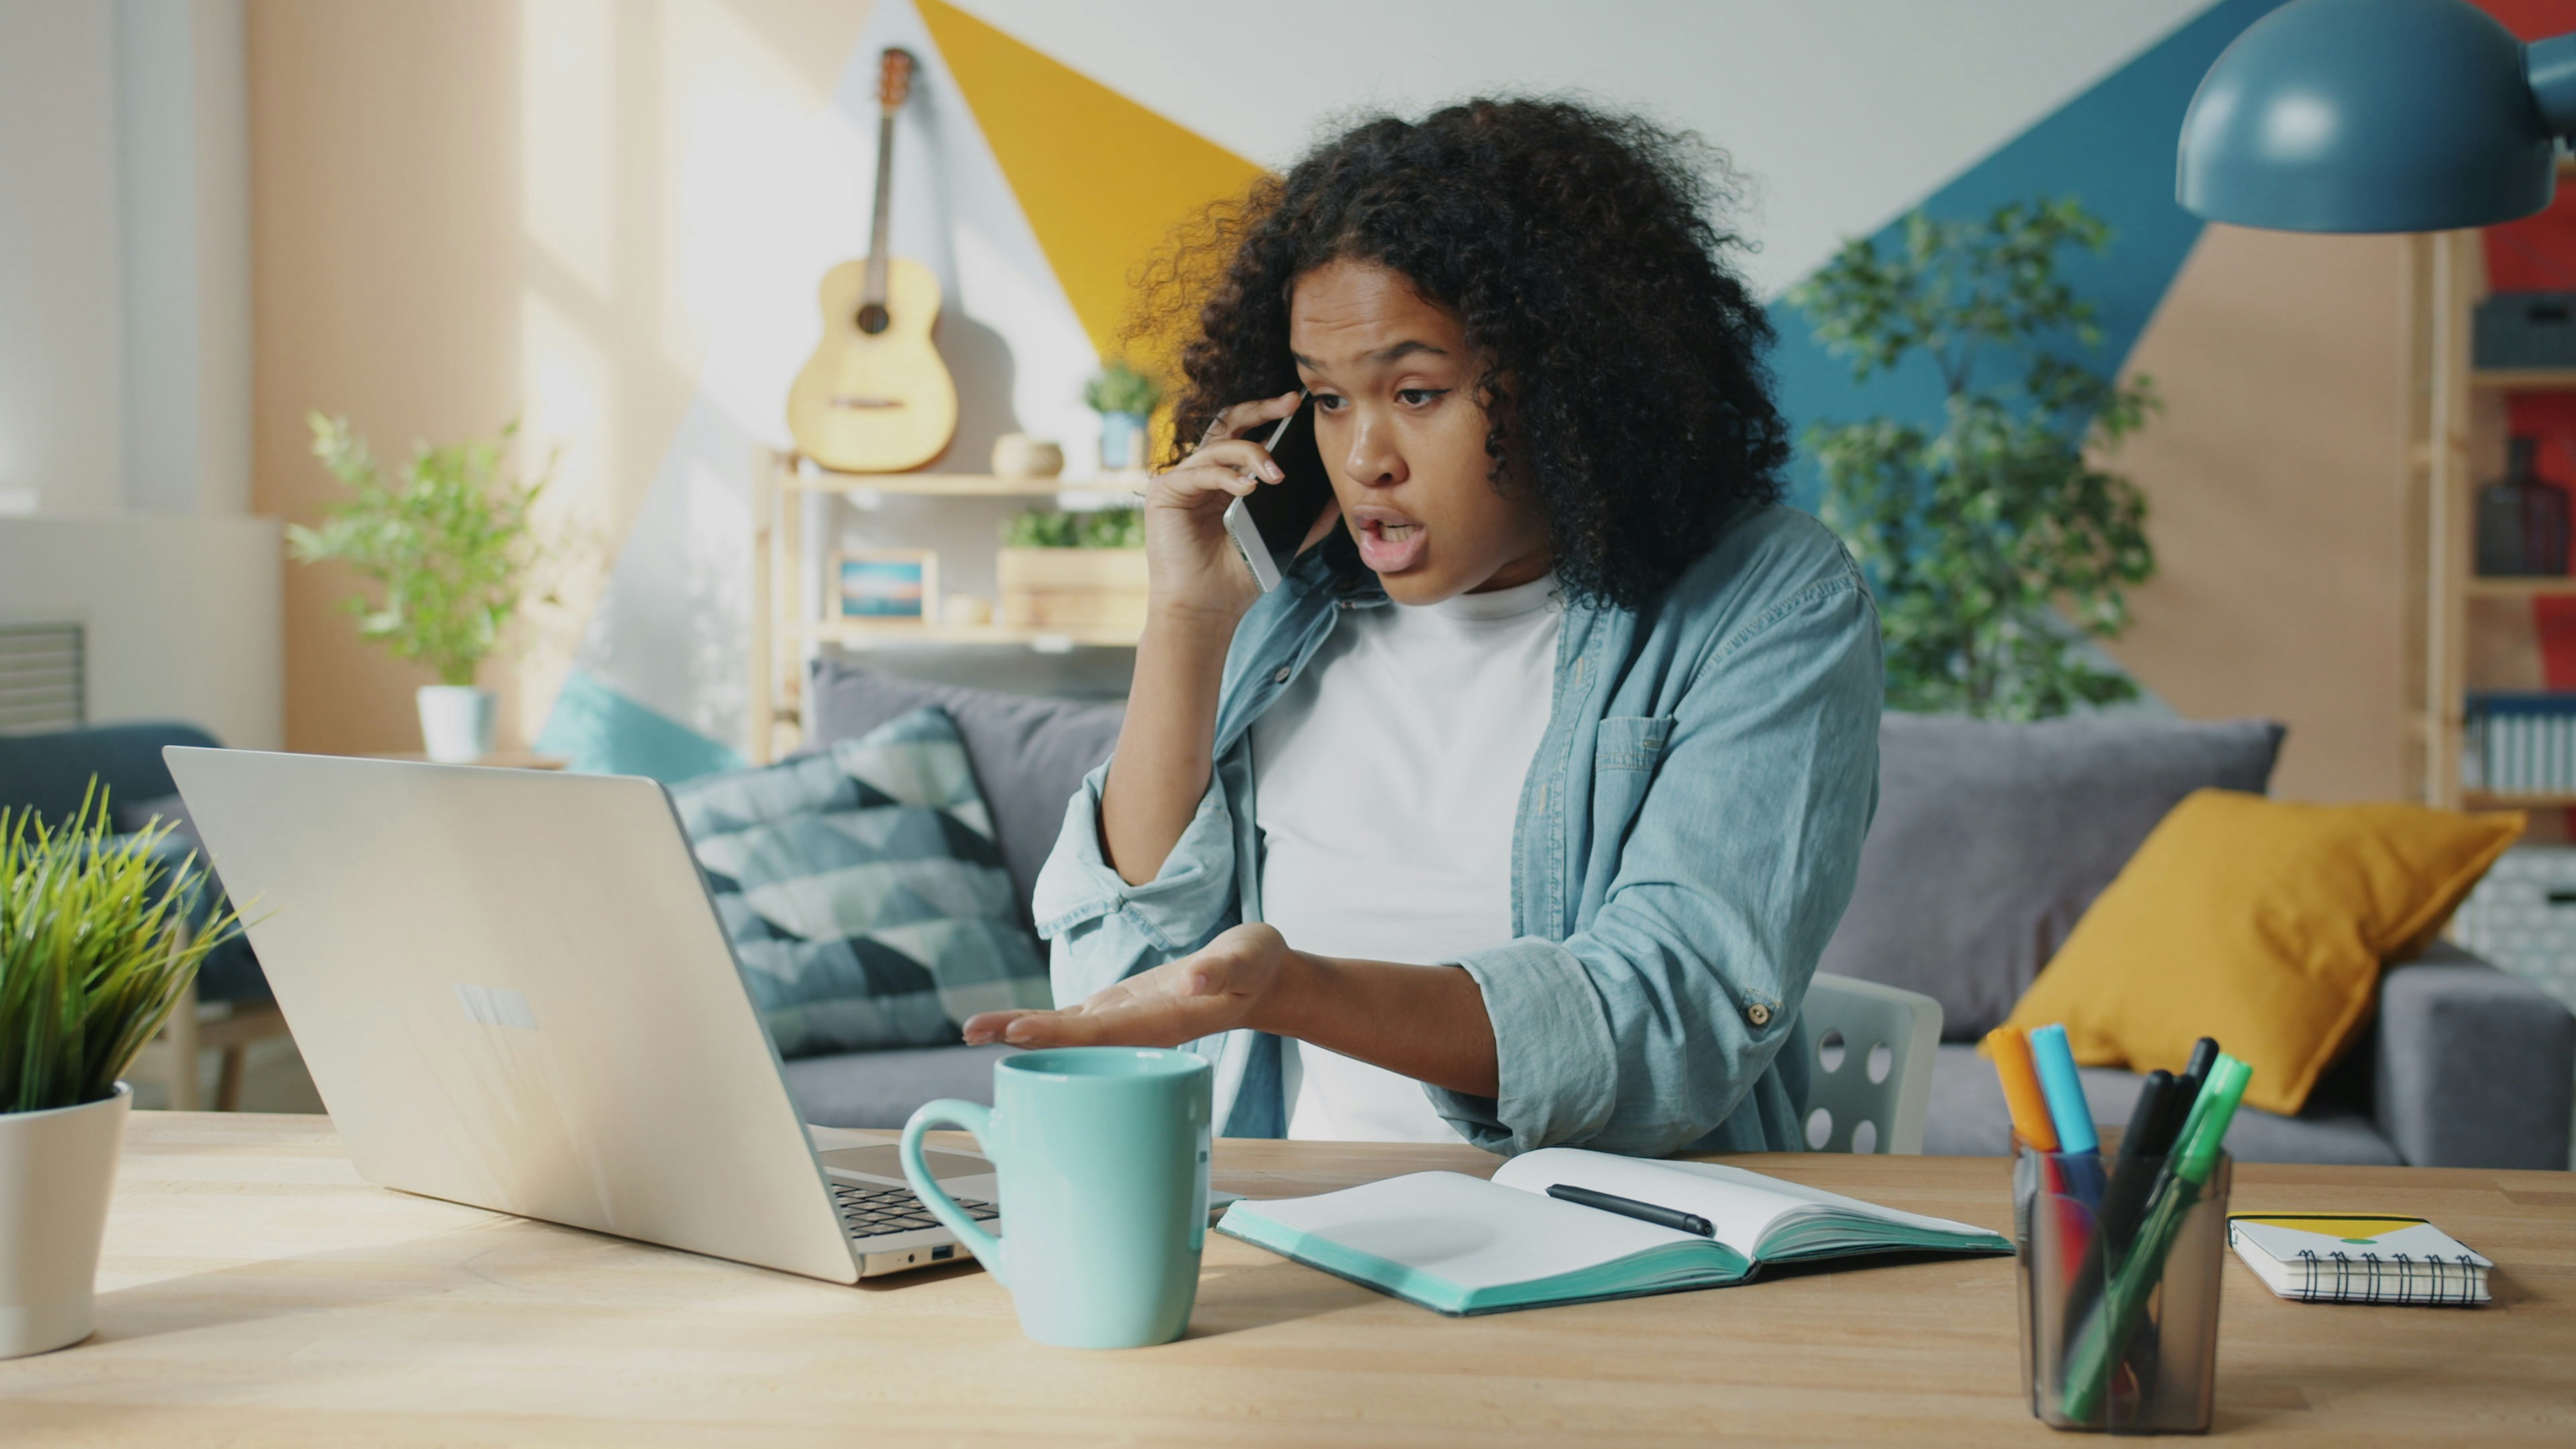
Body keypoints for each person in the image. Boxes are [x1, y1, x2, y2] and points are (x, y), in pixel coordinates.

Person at [961, 99, 1882, 1157]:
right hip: (1300, 1245)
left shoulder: (1767, 599)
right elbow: (1112, 994)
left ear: (1569, 384)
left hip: (1606, 1263)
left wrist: (1293, 991)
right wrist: (1189, 616)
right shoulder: (1291, 608)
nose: (1364, 462)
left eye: (1416, 391)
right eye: (1330, 401)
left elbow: (1674, 1026)